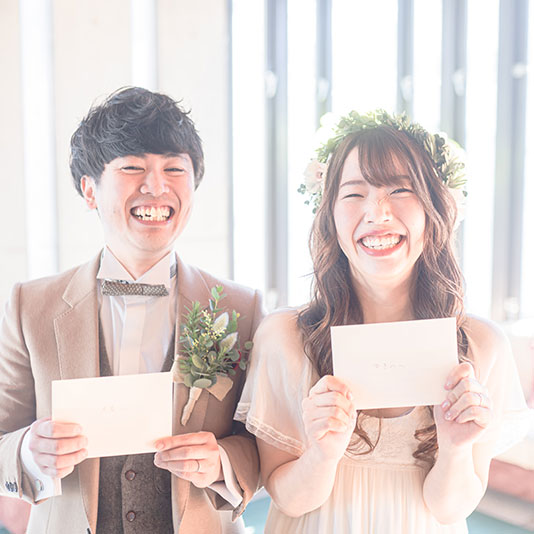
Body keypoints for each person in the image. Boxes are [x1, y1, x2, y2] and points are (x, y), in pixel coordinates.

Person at [235, 110, 531, 533]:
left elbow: (449, 510)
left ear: (434, 208)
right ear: (329, 215)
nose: (378, 213)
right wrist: (323, 453)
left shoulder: (481, 345)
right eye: (354, 194)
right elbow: (289, 499)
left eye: (400, 189)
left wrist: (454, 448)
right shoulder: (286, 337)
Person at [0, 87, 264, 534]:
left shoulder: (240, 308)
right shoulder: (31, 306)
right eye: (132, 168)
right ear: (89, 190)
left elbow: (265, 445)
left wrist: (221, 461)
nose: (156, 187)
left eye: (174, 169)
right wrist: (27, 450)